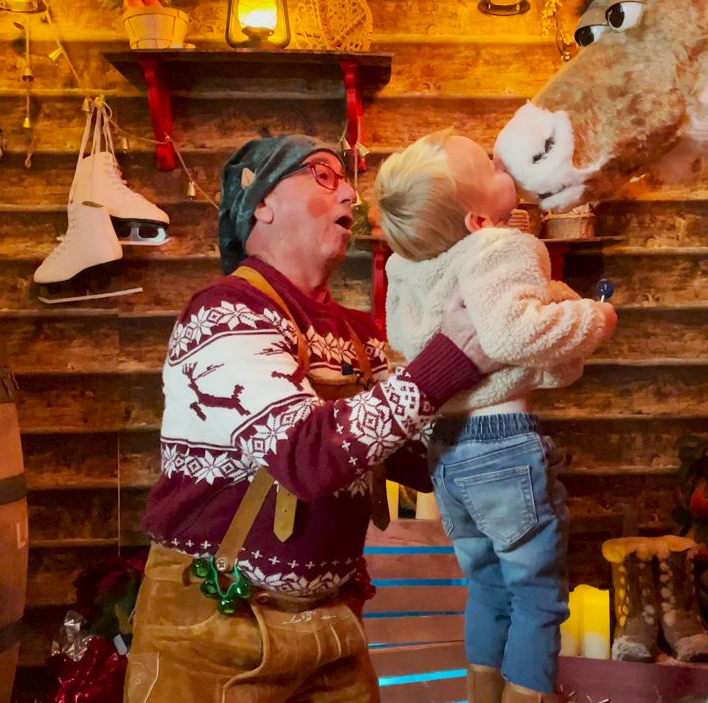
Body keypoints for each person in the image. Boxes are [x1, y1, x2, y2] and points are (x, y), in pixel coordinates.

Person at [126, 134, 496, 703]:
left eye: (346, 181)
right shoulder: (225, 311)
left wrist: (503, 420)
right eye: (323, 175)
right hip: (214, 629)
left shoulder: (359, 333)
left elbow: (417, 460)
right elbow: (306, 456)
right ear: (262, 204)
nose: (349, 193)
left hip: (333, 624)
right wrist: (448, 359)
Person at [374, 129, 617, 703]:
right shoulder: (500, 246)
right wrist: (596, 319)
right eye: (489, 167)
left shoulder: (410, 268)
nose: (500, 162)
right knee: (537, 595)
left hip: (448, 447)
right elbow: (512, 335)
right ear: (477, 221)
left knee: (487, 585)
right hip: (502, 442)